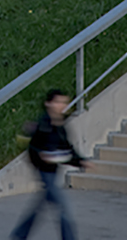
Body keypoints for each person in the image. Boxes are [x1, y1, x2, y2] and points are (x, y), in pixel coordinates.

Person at [10, 89, 87, 240]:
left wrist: (81, 161)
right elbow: (32, 148)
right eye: (58, 102)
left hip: (54, 170)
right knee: (64, 207)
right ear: (48, 103)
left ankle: (19, 235)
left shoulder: (60, 125)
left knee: (39, 207)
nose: (62, 106)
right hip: (45, 172)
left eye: (64, 102)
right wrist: (41, 157)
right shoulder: (42, 124)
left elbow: (67, 148)